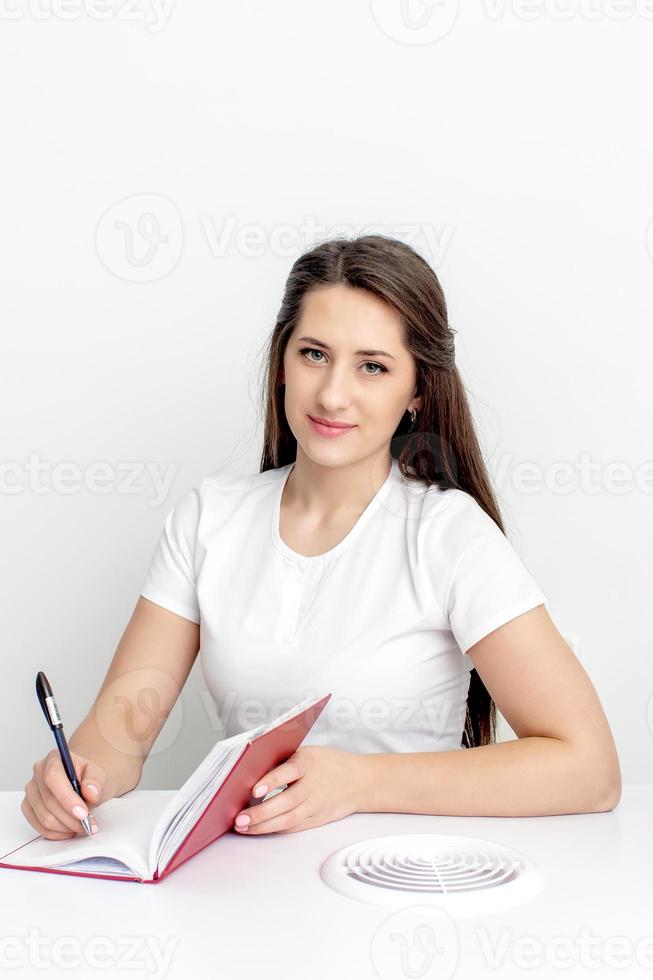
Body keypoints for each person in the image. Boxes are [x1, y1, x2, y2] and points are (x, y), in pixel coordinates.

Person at [21, 235, 621, 840]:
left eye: (372, 366)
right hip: (247, 883)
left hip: (401, 881)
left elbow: (589, 768)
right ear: (282, 362)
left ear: (416, 392)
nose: (333, 393)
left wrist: (360, 783)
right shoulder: (210, 519)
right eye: (313, 354)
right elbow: (117, 740)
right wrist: (76, 782)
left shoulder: (448, 534)